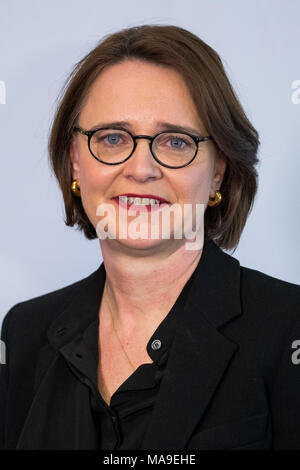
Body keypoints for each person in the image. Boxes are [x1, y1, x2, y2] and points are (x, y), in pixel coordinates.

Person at [1, 24, 300, 451]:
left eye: (176, 141)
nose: (141, 169)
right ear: (75, 161)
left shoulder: (289, 328)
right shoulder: (23, 333)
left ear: (218, 170)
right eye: (112, 138)